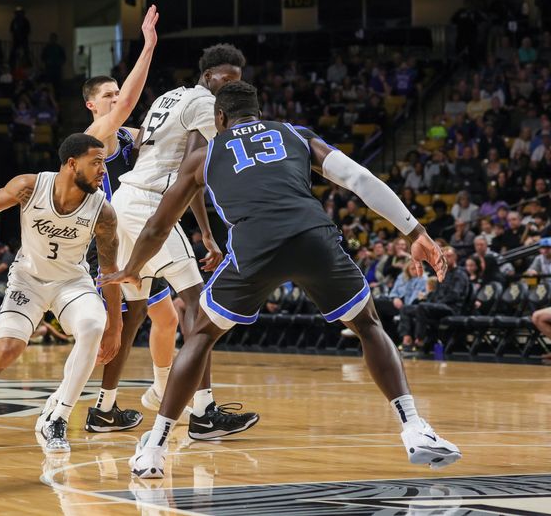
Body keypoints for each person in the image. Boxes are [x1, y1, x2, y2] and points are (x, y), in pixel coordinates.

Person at [101, 81, 461, 478]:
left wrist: (133, 266)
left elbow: (157, 226)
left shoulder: (204, 156)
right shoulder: (294, 133)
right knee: (367, 325)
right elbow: (360, 180)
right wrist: (415, 233)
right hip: (313, 237)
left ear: (219, 118)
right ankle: (414, 428)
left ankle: (154, 447)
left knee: (201, 334)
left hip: (255, 248)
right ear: (258, 111)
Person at [95, 43, 260, 441]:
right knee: (197, 301)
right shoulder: (207, 104)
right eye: (226, 81)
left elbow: (191, 174)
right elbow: (225, 156)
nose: (231, 91)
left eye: (237, 83)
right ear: (209, 78)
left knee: (135, 314)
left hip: (129, 203)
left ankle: (103, 408)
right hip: (150, 205)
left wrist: (205, 232)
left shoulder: (171, 97)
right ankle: (203, 412)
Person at [0, 133, 122, 455]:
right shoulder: (30, 187)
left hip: (71, 282)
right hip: (27, 279)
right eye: (97, 162)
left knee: (92, 327)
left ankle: (57, 418)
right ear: (72, 164)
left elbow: (109, 271)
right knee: (8, 350)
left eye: (104, 162)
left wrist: (115, 325)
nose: (104, 170)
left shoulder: (103, 212)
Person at [37, 6, 167, 433]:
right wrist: (148, 45)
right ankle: (85, 404)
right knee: (117, 328)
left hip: (137, 236)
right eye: (108, 95)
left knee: (147, 320)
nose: (117, 98)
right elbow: (131, 103)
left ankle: (122, 401)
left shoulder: (131, 135)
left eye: (117, 93)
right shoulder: (99, 137)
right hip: (110, 244)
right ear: (92, 104)